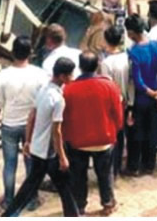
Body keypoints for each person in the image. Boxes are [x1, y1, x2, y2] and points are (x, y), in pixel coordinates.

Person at [1, 57, 79, 217]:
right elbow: (56, 132)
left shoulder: (44, 90)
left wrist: (28, 141)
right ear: (63, 77)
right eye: (70, 75)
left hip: (38, 147)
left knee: (37, 186)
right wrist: (62, 157)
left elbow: (31, 116)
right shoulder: (58, 100)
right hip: (49, 153)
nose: (72, 78)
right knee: (60, 186)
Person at [62, 52, 123, 215]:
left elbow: (64, 117)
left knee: (79, 176)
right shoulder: (109, 86)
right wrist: (115, 130)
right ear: (97, 66)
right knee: (105, 174)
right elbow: (117, 114)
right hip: (104, 139)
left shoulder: (69, 89)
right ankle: (108, 203)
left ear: (80, 67)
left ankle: (80, 206)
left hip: (77, 141)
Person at [0, 37, 46, 211]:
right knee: (31, 163)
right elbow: (43, 101)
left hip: (9, 125)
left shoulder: (3, 75)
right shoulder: (39, 74)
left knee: (9, 164)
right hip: (32, 126)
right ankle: (31, 199)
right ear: (30, 53)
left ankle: (8, 199)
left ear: (13, 52)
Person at [124, 16, 157, 176]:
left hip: (141, 99)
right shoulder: (156, 47)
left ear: (131, 32)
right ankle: (150, 164)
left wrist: (149, 91)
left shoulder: (133, 52)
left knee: (137, 133)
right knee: (152, 131)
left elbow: (137, 79)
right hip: (155, 97)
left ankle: (134, 166)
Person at [99, 25, 130, 177]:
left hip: (113, 103)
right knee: (121, 135)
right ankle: (117, 167)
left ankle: (111, 170)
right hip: (126, 101)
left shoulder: (106, 63)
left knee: (112, 137)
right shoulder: (126, 58)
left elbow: (107, 86)